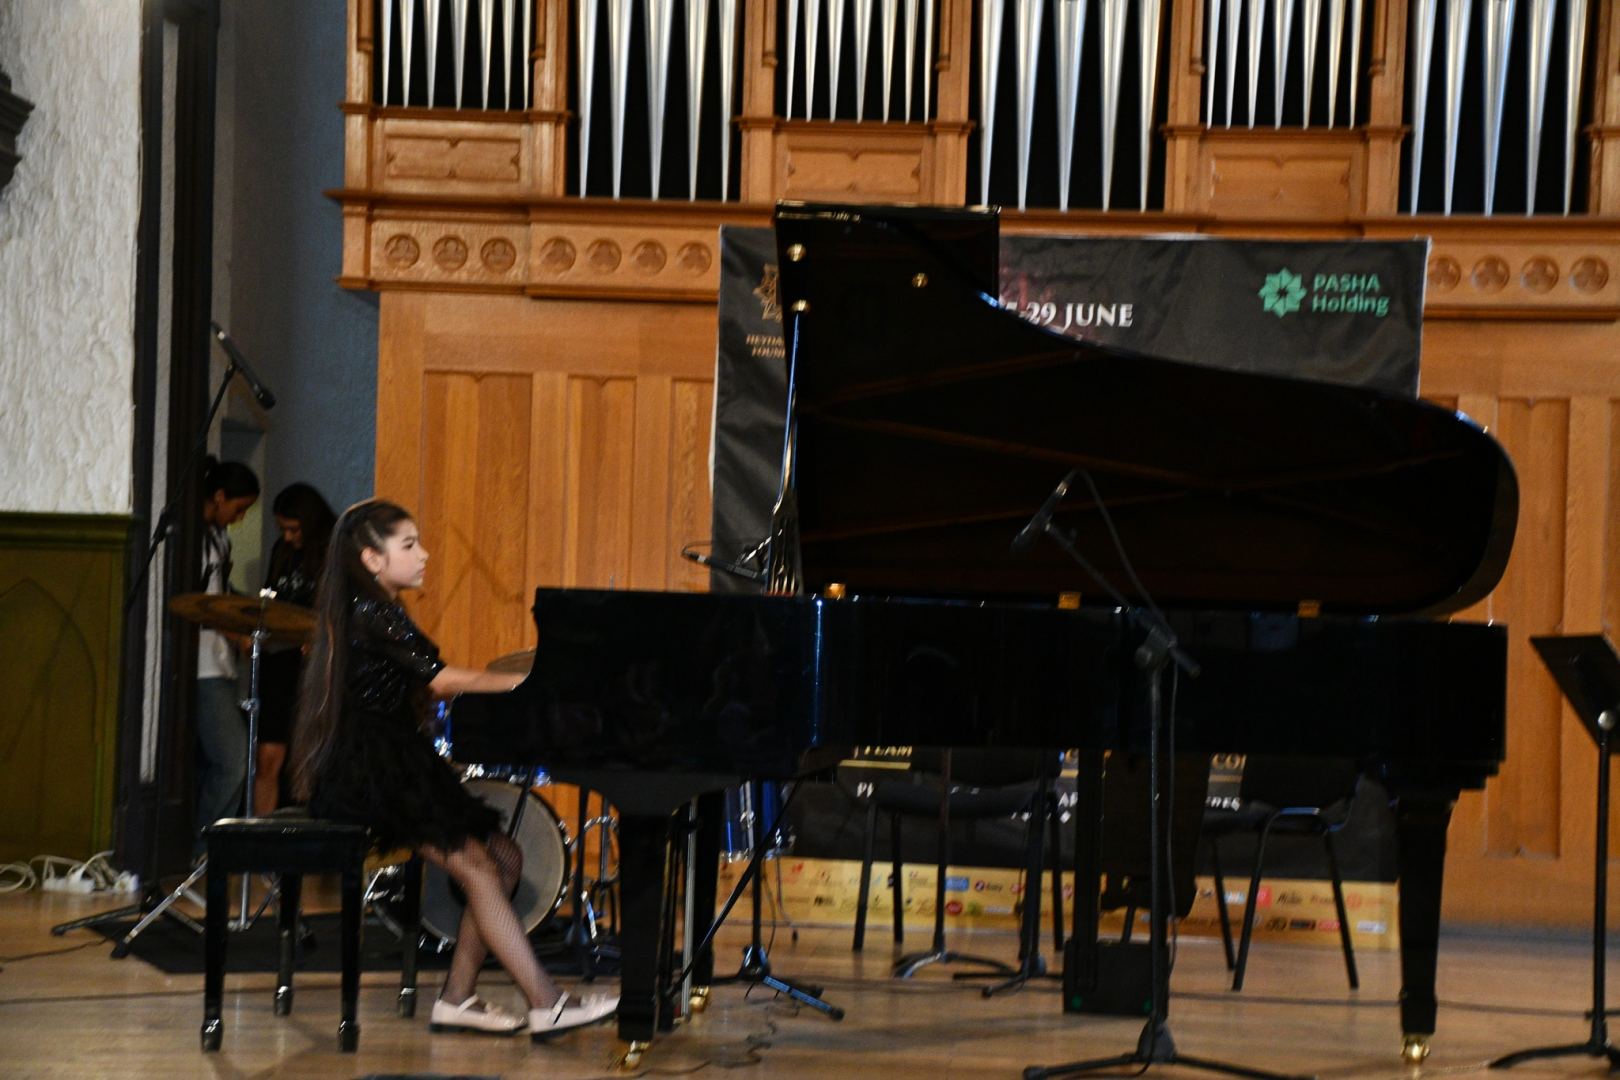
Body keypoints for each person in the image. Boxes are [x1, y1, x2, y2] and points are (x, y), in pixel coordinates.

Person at [288, 499, 618, 1038]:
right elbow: (439, 680)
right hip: (373, 767)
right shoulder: (370, 610)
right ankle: (547, 1002)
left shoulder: (375, 607)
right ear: (372, 558)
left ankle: (457, 998)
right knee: (479, 868)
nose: (424, 554)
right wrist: (529, 683)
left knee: (504, 858)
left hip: (393, 755)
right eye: (409, 544)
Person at [254, 482, 336, 814]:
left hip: (314, 666)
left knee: (310, 756)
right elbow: (270, 599)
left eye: (293, 529)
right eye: (282, 529)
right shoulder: (282, 551)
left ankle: (311, 832)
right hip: (279, 661)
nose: (287, 537)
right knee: (268, 756)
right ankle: (259, 837)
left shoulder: (334, 551)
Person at [194, 457, 261, 849]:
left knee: (228, 761)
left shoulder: (219, 538)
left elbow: (220, 593)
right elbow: (203, 604)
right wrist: (237, 636)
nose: (240, 517)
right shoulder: (195, 539)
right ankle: (205, 848)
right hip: (203, 664)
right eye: (239, 508)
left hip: (219, 663)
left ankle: (213, 846)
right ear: (219, 496)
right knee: (233, 760)